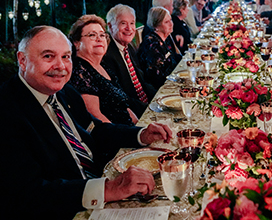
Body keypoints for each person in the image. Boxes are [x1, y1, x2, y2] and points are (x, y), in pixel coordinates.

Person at [0, 26, 173, 219]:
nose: (60, 66)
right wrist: (106, 189)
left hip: (101, 182)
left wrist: (140, 134)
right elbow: (27, 193)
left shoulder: (65, 92)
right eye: (48, 56)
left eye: (66, 57)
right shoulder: (7, 111)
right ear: (22, 60)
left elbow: (95, 131)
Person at [69, 15, 139, 125]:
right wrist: (129, 135)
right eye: (92, 35)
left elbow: (122, 105)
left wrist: (139, 125)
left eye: (102, 35)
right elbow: (96, 116)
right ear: (76, 43)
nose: (99, 39)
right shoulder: (80, 72)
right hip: (115, 136)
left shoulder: (103, 66)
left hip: (129, 129)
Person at [102, 4, 156, 114]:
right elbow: (122, 96)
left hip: (145, 103)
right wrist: (148, 109)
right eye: (123, 23)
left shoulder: (129, 46)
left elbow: (141, 80)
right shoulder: (107, 55)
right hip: (133, 112)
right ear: (110, 26)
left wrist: (158, 97)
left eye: (132, 23)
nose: (129, 28)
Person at [138, 7, 178, 90]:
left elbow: (173, 59)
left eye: (170, 20)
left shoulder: (165, 39)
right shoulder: (152, 45)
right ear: (156, 26)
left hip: (171, 81)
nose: (171, 24)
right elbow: (155, 78)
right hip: (160, 89)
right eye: (166, 22)